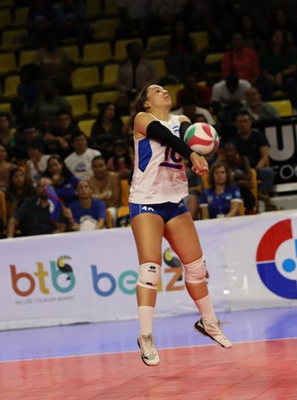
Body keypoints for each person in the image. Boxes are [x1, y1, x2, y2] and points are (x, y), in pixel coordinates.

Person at [129, 84, 232, 367]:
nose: (164, 92)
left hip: (174, 201)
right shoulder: (142, 119)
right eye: (156, 91)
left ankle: (209, 322)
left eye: (165, 89)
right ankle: (146, 336)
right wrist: (192, 154)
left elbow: (191, 134)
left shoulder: (182, 120)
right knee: (150, 270)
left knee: (196, 266)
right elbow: (165, 136)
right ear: (146, 103)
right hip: (146, 201)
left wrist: (201, 150)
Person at [230, 111, 276, 196]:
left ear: (250, 122)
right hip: (242, 171)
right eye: (240, 122)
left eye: (246, 121)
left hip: (258, 168)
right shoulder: (233, 140)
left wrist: (255, 170)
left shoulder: (259, 135)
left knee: (269, 172)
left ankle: (262, 196)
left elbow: (265, 156)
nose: (243, 124)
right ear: (236, 124)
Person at [88, 156, 121, 222]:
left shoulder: (114, 177)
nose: (98, 169)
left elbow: (116, 200)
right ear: (92, 168)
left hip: (113, 209)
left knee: (109, 211)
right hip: (95, 211)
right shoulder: (89, 181)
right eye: (95, 166)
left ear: (106, 166)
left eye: (101, 166)